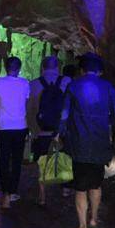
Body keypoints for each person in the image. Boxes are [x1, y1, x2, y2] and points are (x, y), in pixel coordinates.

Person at [59, 52, 115, 228]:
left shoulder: (73, 85)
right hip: (100, 141)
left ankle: (82, 227)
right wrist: (108, 122)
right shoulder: (108, 87)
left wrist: (60, 131)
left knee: (80, 187)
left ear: (82, 69)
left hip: (79, 143)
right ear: (100, 71)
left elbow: (64, 114)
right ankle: (94, 219)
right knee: (96, 184)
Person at [0, 56, 30, 208]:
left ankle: (5, 192)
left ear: (6, 67)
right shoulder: (25, 83)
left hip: (5, 126)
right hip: (20, 126)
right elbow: (25, 102)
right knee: (17, 160)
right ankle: (12, 192)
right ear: (19, 69)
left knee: (4, 159)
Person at [28, 55, 71, 205]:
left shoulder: (33, 84)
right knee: (64, 159)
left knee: (42, 162)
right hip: (62, 131)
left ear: (42, 68)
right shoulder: (67, 82)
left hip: (42, 131)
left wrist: (34, 131)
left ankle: (42, 195)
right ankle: (65, 189)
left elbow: (30, 111)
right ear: (57, 67)